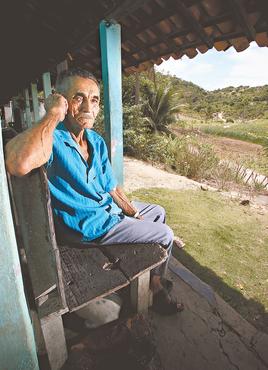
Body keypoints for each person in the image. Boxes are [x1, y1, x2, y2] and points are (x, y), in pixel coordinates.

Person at [5, 68, 183, 315]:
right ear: (63, 101)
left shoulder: (95, 141)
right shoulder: (51, 138)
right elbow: (17, 163)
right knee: (165, 234)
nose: (89, 106)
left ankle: (153, 280)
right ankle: (157, 290)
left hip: (108, 213)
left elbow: (111, 187)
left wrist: (134, 213)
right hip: (89, 226)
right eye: (79, 98)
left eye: (95, 99)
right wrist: (53, 114)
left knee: (157, 212)